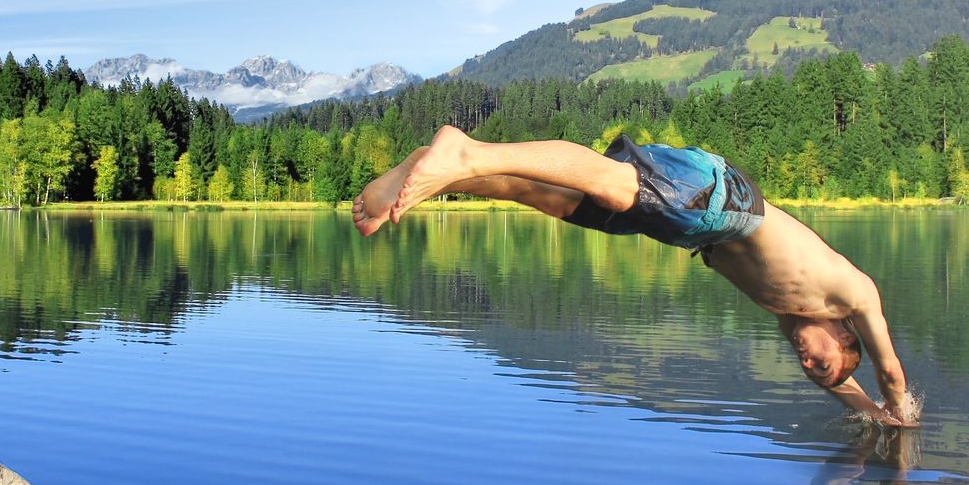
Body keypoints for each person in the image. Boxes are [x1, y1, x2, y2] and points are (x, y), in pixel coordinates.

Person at [352, 125, 917, 427]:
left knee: (553, 199)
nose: (808, 363)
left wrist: (868, 416)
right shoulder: (853, 292)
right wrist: (902, 415)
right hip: (722, 201)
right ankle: (470, 152)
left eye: (810, 371)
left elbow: (846, 385)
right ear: (845, 335)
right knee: (609, 180)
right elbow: (889, 369)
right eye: (823, 361)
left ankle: (439, 168)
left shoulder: (790, 313)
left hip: (692, 228)